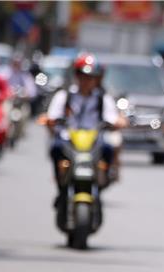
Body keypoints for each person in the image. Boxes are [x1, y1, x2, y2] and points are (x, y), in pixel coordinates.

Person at [45, 53, 120, 203]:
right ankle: (61, 186)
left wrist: (118, 123)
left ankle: (102, 181)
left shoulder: (102, 98)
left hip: (93, 142)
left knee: (108, 149)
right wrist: (50, 122)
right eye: (83, 76)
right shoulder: (64, 96)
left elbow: (114, 118)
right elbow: (51, 117)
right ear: (76, 76)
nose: (86, 80)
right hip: (69, 141)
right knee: (55, 148)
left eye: (90, 77)